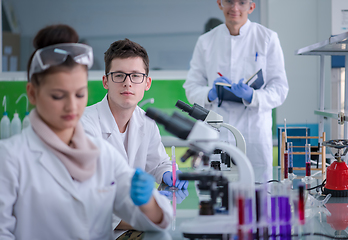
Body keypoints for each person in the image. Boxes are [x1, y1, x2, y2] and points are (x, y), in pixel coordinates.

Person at [0, 24, 172, 240]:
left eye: (80, 94)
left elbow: (160, 218)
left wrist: (148, 201)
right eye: (58, 96)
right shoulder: (9, 158)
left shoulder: (102, 154)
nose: (72, 107)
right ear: (32, 94)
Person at [80, 38, 188, 233]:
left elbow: (157, 163)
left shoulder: (146, 121)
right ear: (106, 81)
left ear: (147, 83)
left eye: (136, 76)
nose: (128, 83)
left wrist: (167, 173)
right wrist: (149, 219)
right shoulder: (85, 126)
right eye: (119, 75)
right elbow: (91, 200)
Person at [183, 0, 289, 183]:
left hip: (254, 132)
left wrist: (253, 96)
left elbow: (280, 89)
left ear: (251, 6)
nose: (235, 8)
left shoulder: (267, 38)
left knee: (258, 193)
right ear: (220, 4)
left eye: (242, 2)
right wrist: (210, 93)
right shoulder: (206, 41)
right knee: (217, 193)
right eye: (229, 2)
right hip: (217, 131)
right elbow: (191, 87)